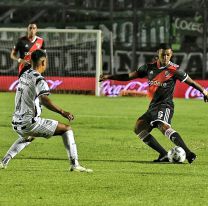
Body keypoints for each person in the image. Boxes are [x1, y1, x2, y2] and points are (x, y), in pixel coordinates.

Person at [100, 43, 208, 163]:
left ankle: (188, 153)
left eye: (168, 55)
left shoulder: (174, 70)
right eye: (163, 55)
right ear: (158, 53)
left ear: (171, 55)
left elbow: (191, 82)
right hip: (153, 106)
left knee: (162, 125)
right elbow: (129, 76)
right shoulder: (148, 68)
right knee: (138, 128)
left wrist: (204, 91)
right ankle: (163, 154)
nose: (166, 57)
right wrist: (109, 77)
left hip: (165, 105)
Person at [0, 49, 92, 172]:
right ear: (43, 62)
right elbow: (44, 100)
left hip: (16, 121)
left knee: (29, 137)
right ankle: (75, 165)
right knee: (66, 129)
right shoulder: (39, 79)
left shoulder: (23, 74)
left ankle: (3, 161)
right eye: (46, 62)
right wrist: (63, 112)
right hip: (30, 122)